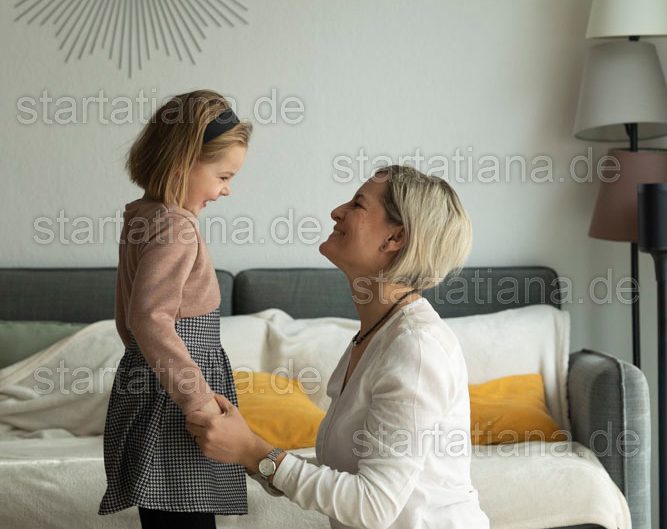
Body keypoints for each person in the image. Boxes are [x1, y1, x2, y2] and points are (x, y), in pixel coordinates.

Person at [186, 165, 491, 529]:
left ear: (396, 237)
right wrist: (247, 449)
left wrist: (253, 451)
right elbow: (344, 477)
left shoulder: (416, 347)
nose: (336, 212)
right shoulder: (375, 335)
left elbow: (372, 506)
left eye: (358, 204)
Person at [98, 89, 252, 529]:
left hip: (155, 385)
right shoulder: (177, 228)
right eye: (223, 176)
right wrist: (198, 400)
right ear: (183, 164)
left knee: (165, 513)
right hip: (178, 401)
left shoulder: (144, 216)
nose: (226, 190)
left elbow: (128, 318)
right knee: (185, 513)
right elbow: (148, 318)